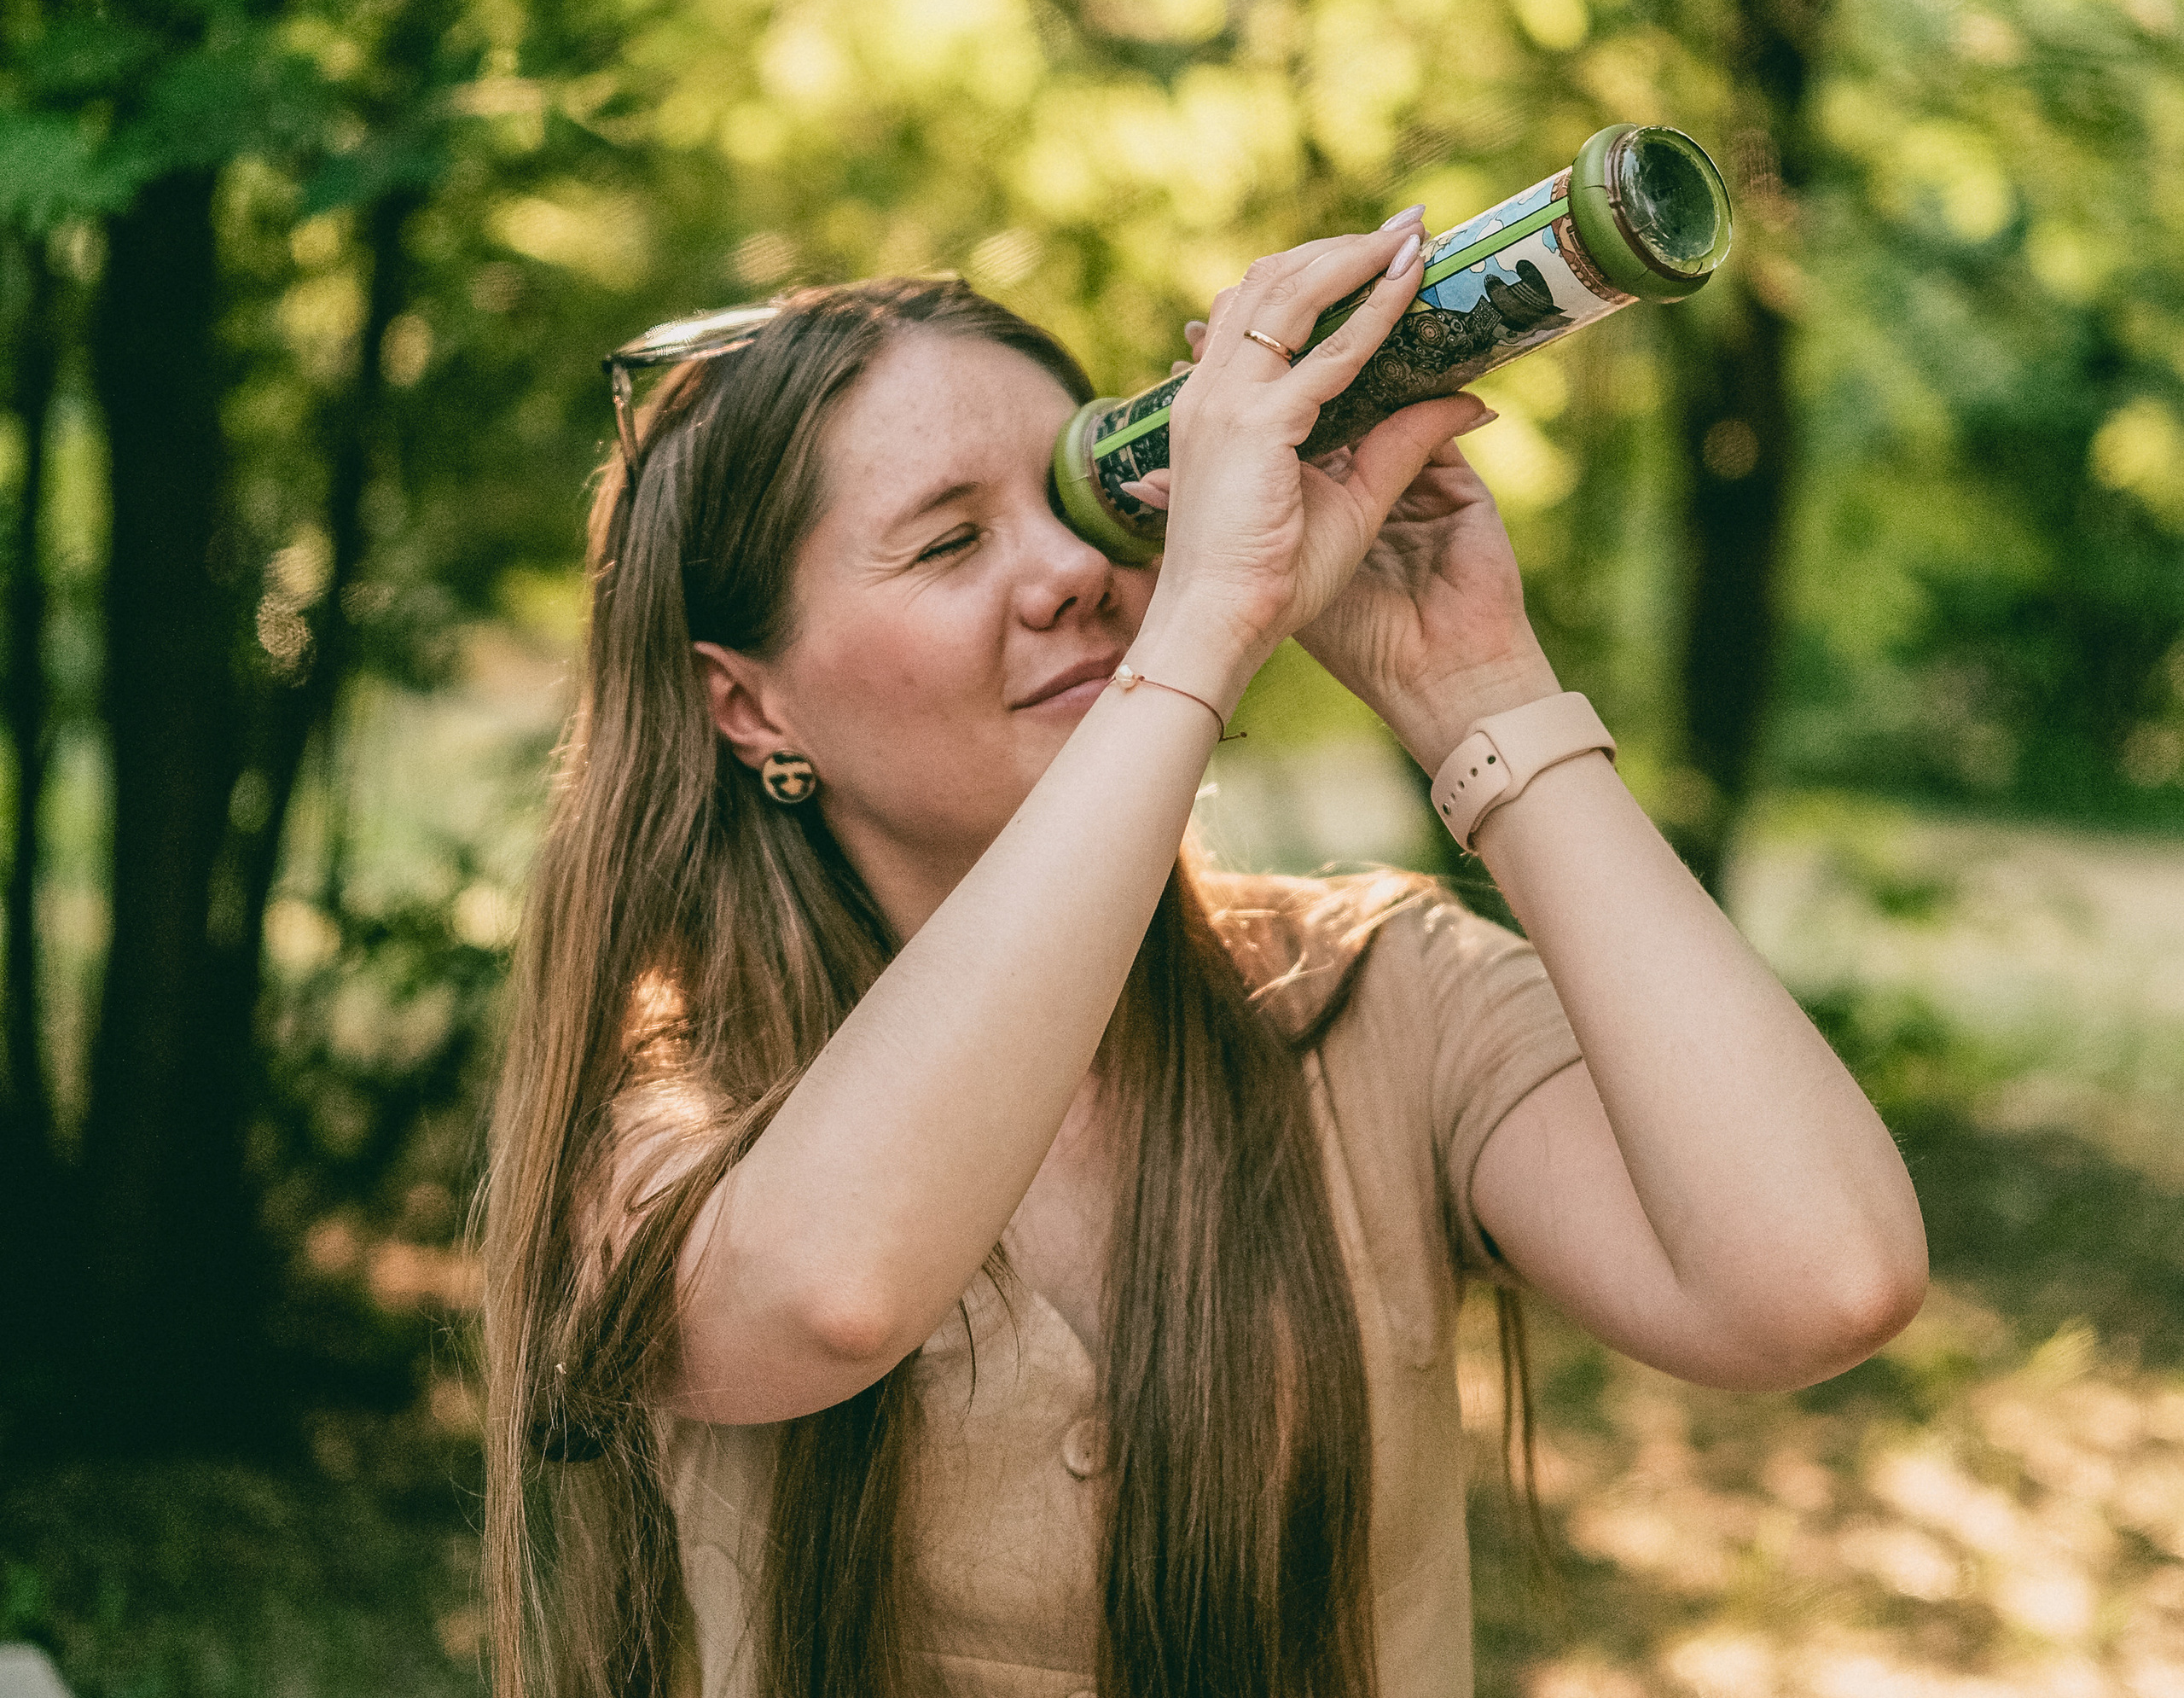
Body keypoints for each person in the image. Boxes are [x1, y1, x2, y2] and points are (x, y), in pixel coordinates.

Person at [482, 216, 1928, 1698]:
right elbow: (822, 1296)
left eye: (1082, 500)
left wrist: (1477, 680)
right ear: (749, 709)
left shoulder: (1378, 997)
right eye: (949, 541)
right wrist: (1197, 636)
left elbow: (1819, 1280)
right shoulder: (661, 1119)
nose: (1077, 575)